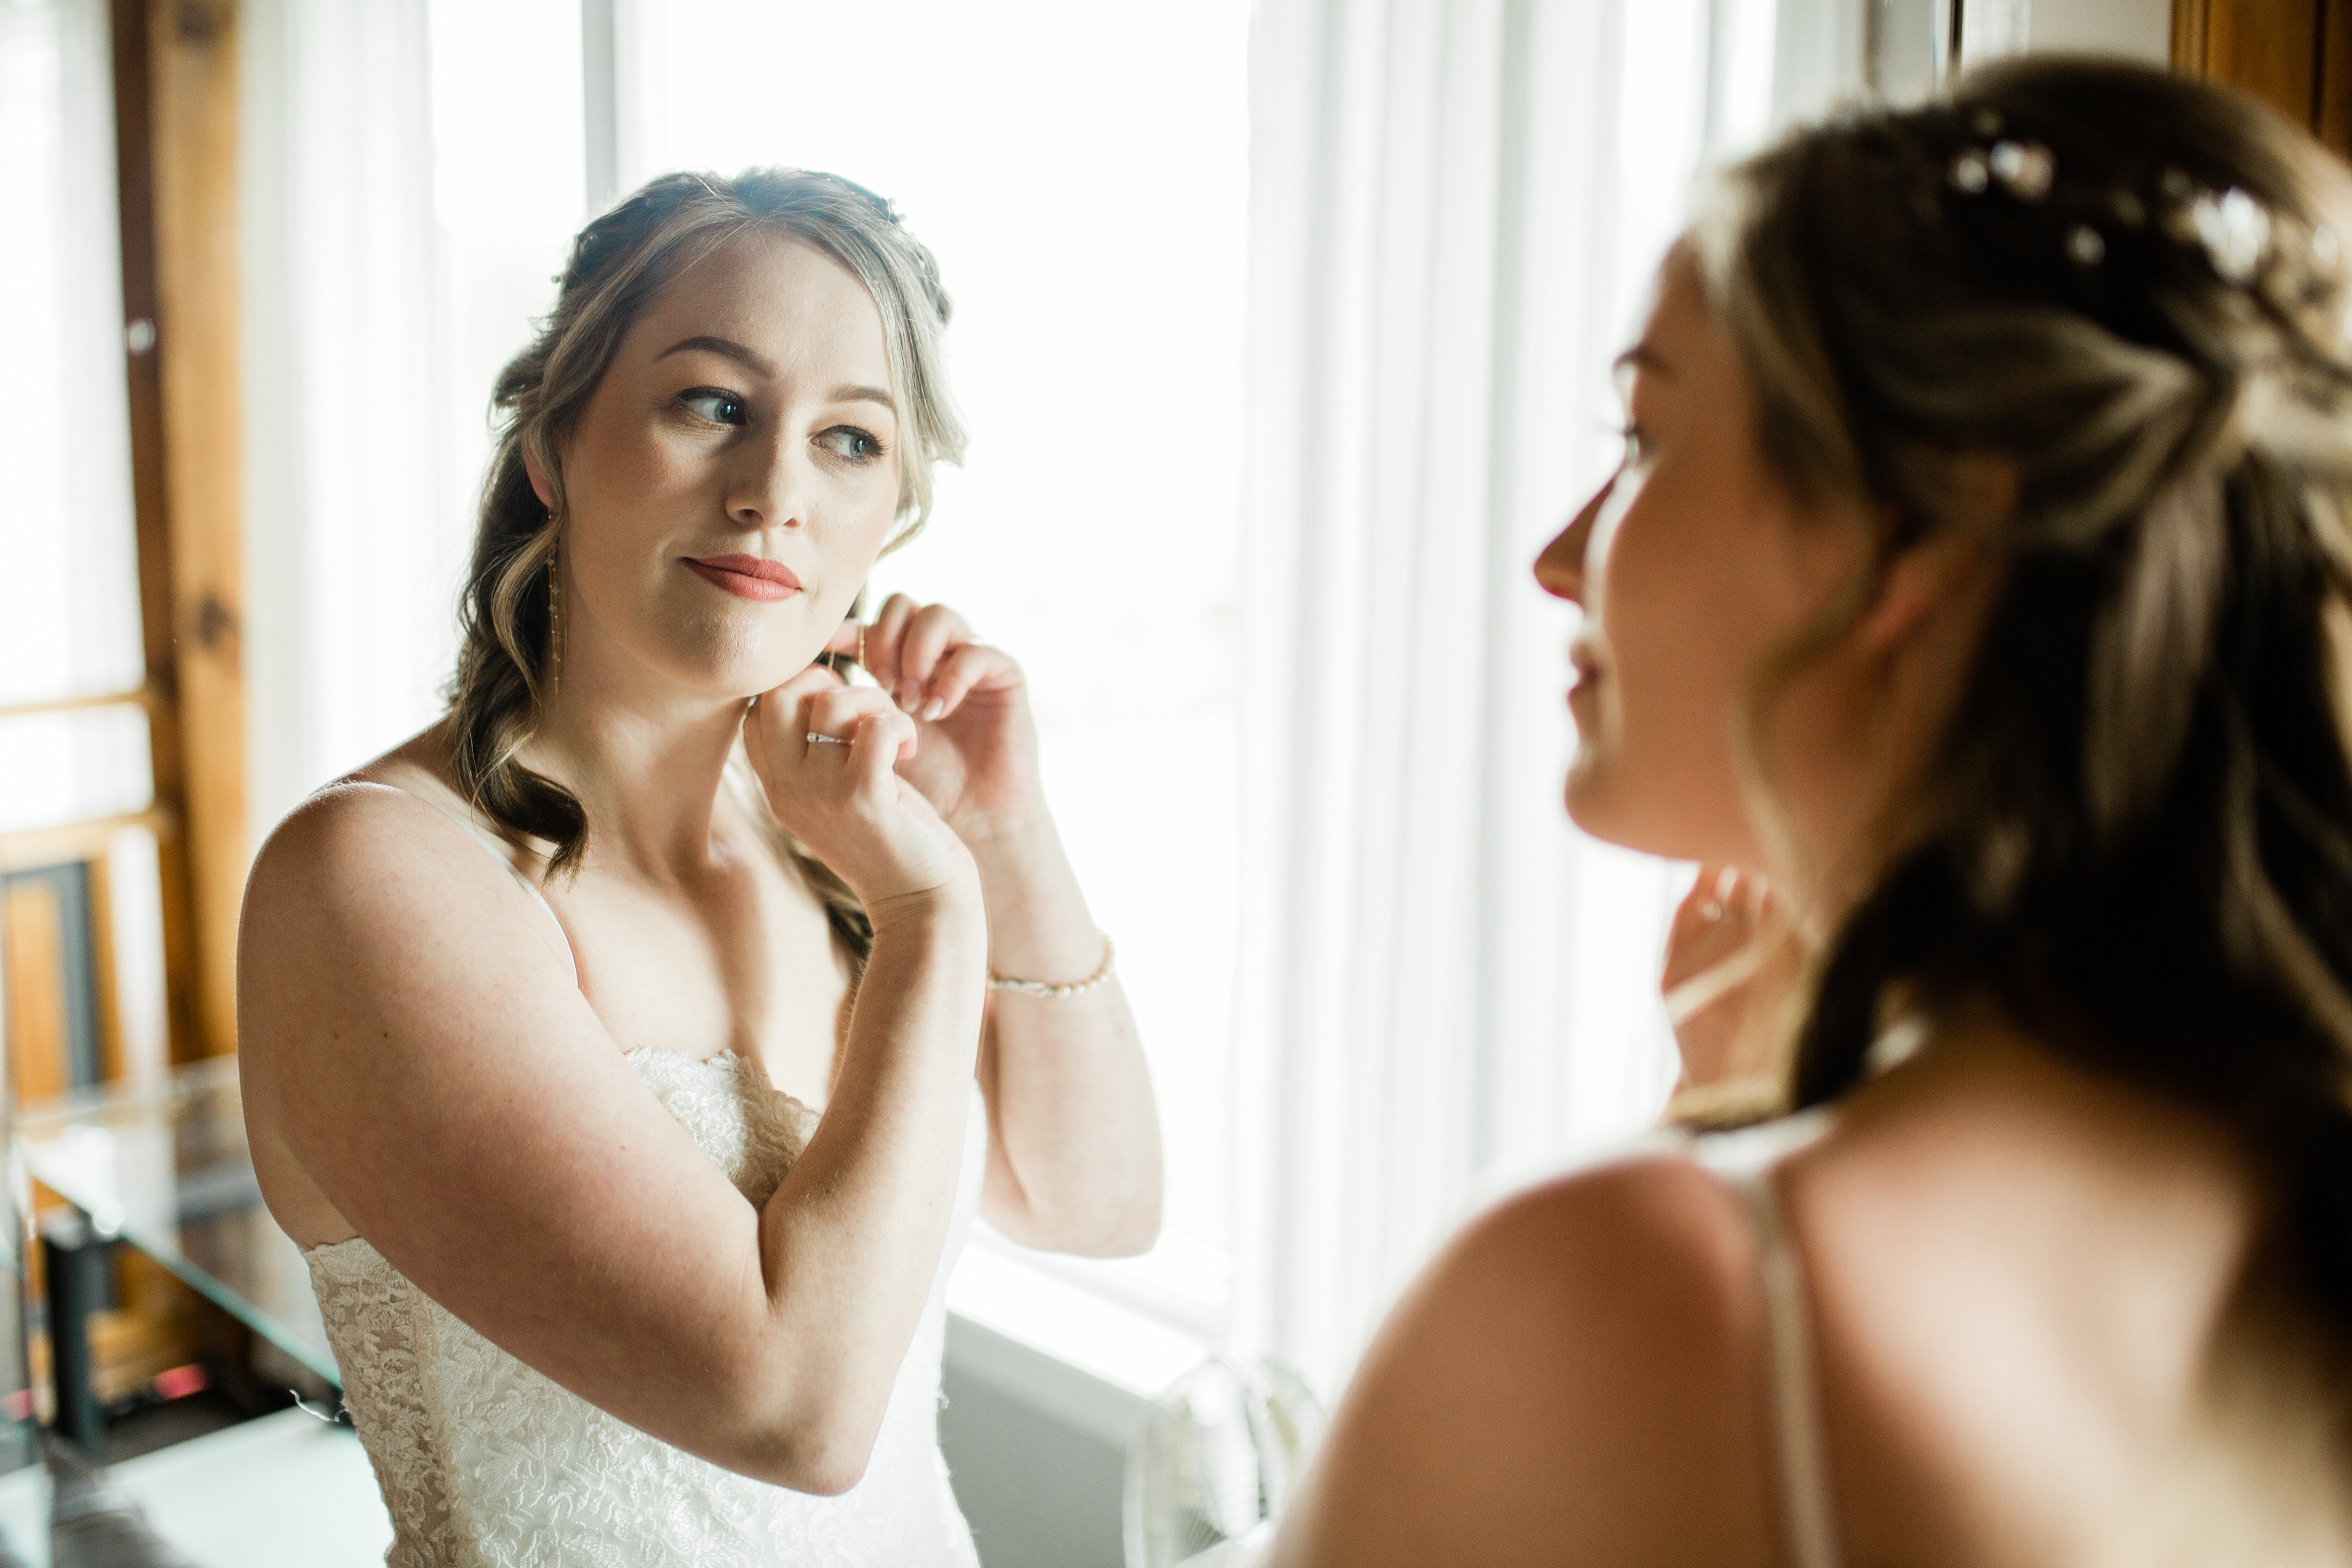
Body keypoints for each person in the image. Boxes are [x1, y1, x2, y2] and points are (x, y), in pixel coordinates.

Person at [1272, 58, 2352, 1567]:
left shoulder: (1637, 1303)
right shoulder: (2280, 1202)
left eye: (1643, 440)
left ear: (1910, 536)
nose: (1559, 557)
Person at [237, 169, 1162, 1566]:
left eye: (848, 439)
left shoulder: (831, 833)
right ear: (553, 444)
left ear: (889, 511)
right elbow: (794, 1413)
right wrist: (931, 909)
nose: (773, 492)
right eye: (713, 404)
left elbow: (1097, 1205)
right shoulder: (378, 877)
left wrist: (1002, 830)